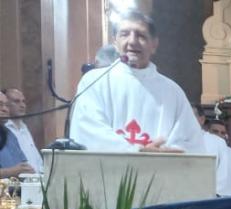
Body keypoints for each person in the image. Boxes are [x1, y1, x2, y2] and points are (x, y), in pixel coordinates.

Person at [71, 10, 203, 154]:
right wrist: (137, 151)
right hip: (107, 174)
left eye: (140, 35)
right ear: (115, 41)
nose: (132, 41)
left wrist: (162, 154)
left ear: (154, 44)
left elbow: (190, 142)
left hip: (160, 173)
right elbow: (88, 130)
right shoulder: (94, 82)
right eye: (124, 34)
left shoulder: (172, 92)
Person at [192, 106, 231, 197]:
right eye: (215, 131)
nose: (219, 135)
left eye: (222, 133)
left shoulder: (219, 145)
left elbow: (227, 183)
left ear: (201, 120)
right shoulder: (169, 142)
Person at [2, 89, 43, 174]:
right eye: (16, 101)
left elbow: (27, 162)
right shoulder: (7, 130)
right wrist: (12, 171)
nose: (22, 105)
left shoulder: (14, 132)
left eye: (23, 101)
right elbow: (16, 169)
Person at [0, 92, 34, 179]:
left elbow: (23, 166)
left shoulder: (10, 135)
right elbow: (16, 170)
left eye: (7, 105)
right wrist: (11, 172)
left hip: (17, 190)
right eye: (0, 105)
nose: (5, 109)